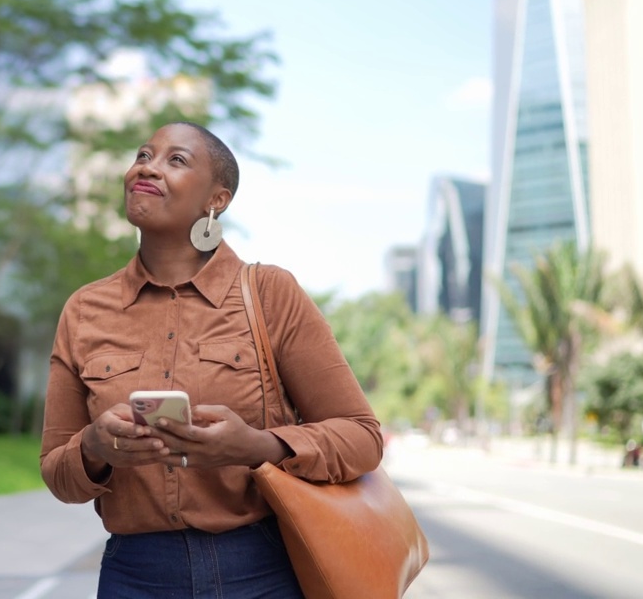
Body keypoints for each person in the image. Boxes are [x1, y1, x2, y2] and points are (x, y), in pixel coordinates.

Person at [39, 122, 384, 599]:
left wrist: (256, 446)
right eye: (143, 155)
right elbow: (58, 473)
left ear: (216, 200)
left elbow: (362, 437)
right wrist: (95, 448)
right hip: (134, 575)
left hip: (261, 568)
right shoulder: (84, 310)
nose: (147, 167)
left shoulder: (270, 293)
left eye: (175, 160)